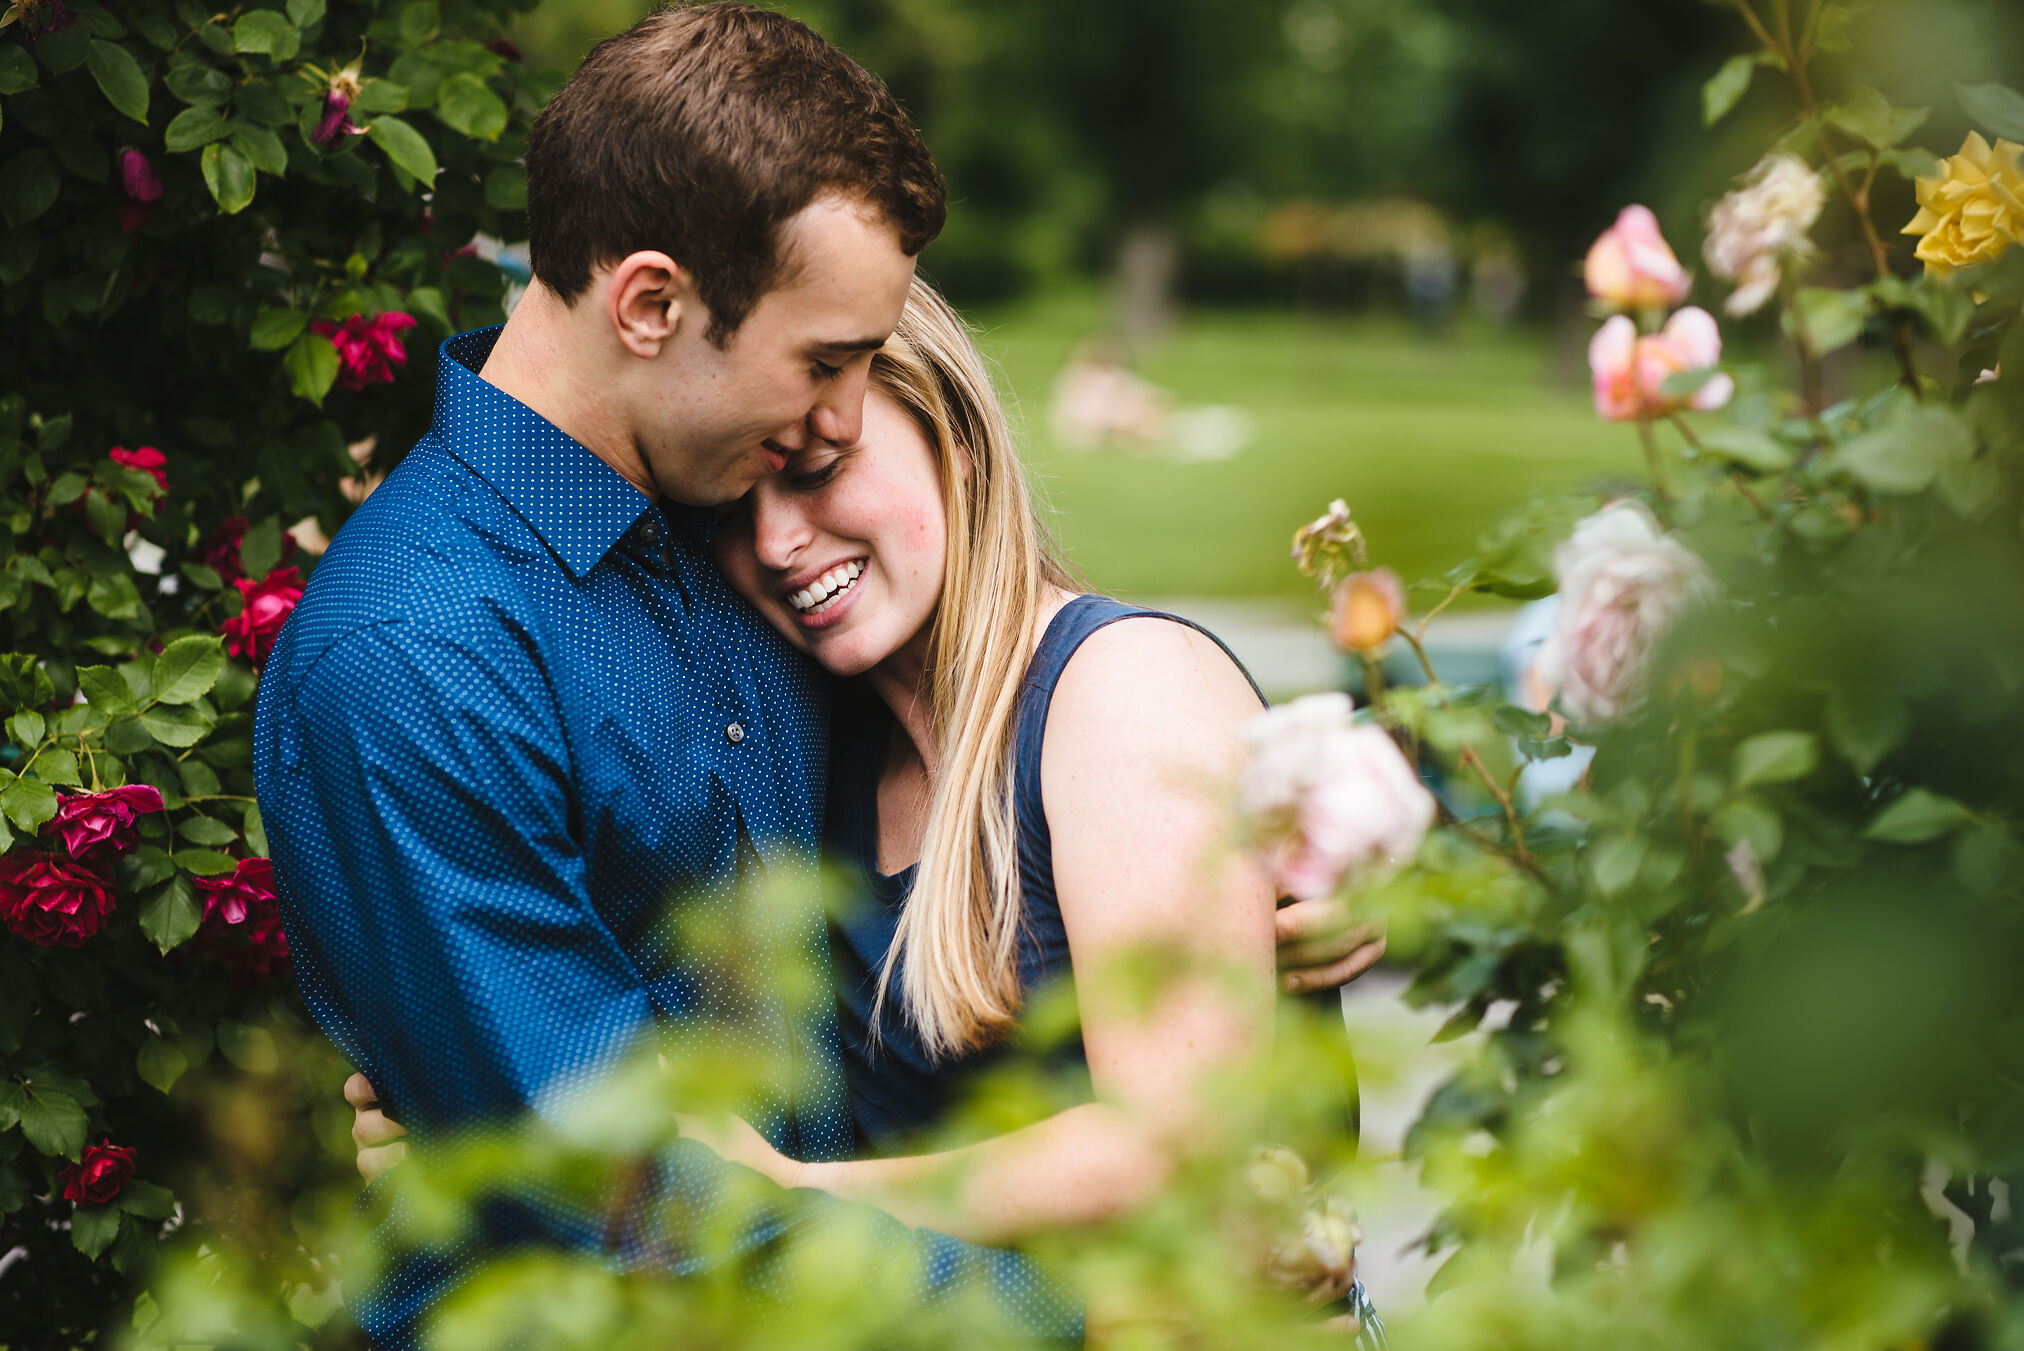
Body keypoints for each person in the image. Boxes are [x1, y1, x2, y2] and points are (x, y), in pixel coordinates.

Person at [347, 279, 1390, 1343]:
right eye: (732, 514)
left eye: (817, 470)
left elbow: (1178, 1147)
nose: (782, 542)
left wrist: (790, 1194)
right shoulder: (821, 755)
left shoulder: (1117, 692)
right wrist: (466, 1100)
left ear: (954, 434)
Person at [253, 8, 1077, 1347]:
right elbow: (621, 1199)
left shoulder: (749, 530)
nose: (850, 415)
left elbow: (980, 758)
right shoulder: (413, 662)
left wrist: (1231, 865)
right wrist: (1100, 1313)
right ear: (650, 304)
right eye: (826, 359)